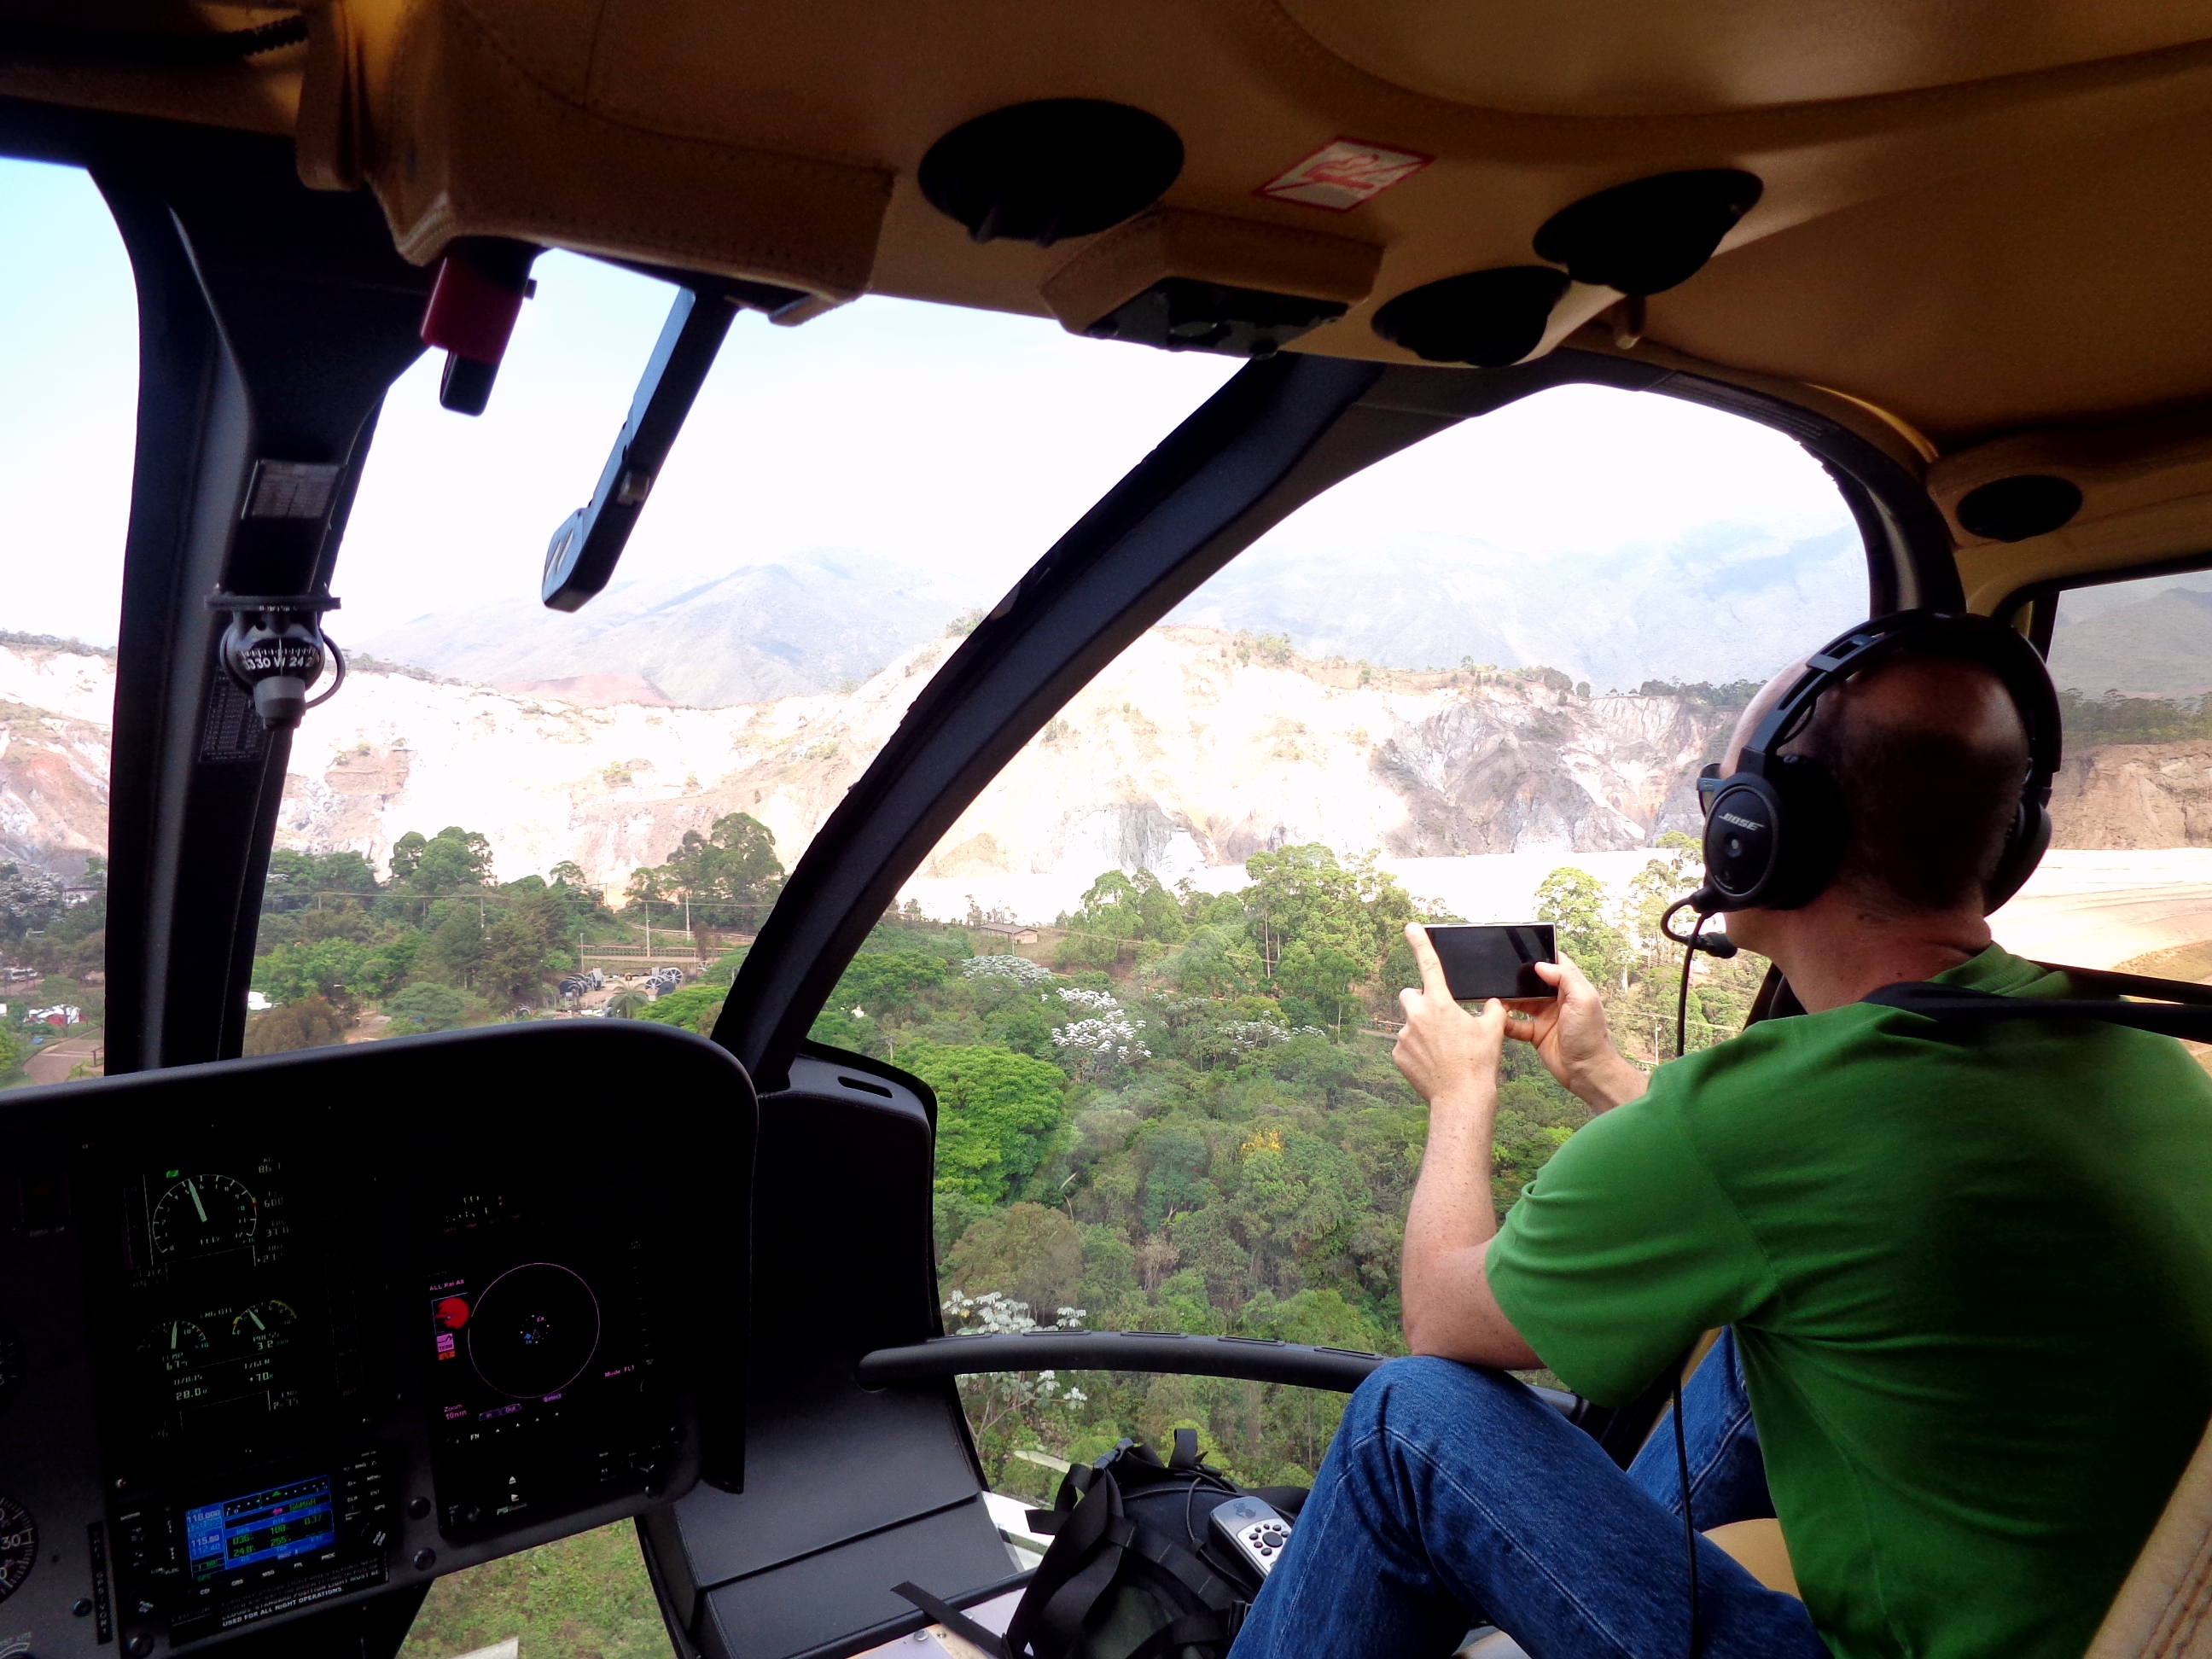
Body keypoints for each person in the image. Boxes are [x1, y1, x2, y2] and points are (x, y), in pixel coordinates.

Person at [1230, 641, 2212, 1659]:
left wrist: (1459, 1092)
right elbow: (1784, 1196)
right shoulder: (2136, 1057)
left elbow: (1441, 1317)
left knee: (1405, 1417)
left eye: (1722, 799)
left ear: (1761, 836)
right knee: (1766, 1332)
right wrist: (1600, 1073)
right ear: (2010, 842)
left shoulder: (1775, 1116)